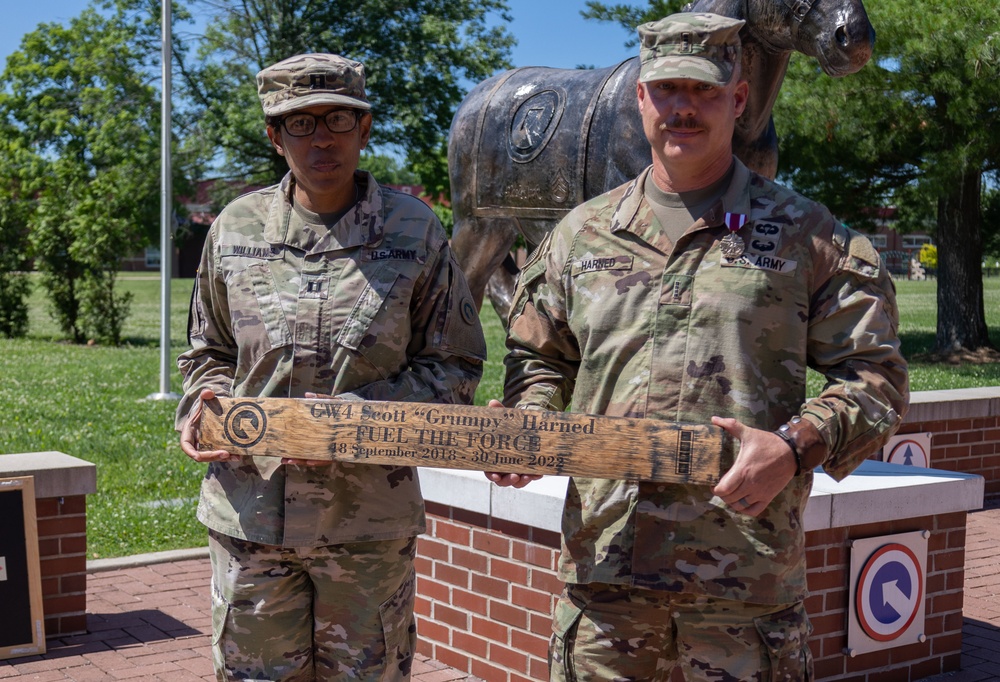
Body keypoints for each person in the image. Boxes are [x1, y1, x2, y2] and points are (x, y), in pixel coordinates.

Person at [487, 13, 908, 682]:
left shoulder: (809, 237)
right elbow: (539, 355)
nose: (684, 108)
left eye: (705, 90)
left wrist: (796, 445)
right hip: (607, 586)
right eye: (668, 89)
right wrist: (533, 421)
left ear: (739, 99)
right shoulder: (580, 236)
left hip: (743, 590)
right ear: (641, 98)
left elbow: (874, 377)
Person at [176, 53, 486, 681]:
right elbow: (208, 352)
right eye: (300, 122)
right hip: (250, 519)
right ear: (274, 136)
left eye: (339, 119)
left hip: (365, 526)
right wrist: (202, 406)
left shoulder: (414, 231)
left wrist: (351, 423)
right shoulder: (234, 229)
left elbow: (455, 368)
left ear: (364, 129)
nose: (321, 137)